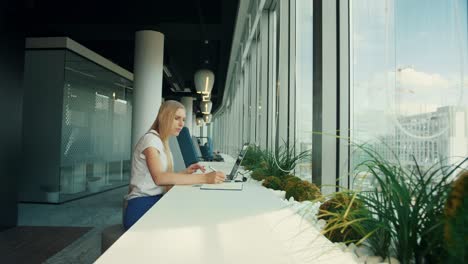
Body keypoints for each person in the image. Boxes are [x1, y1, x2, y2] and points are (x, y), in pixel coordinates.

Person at [123, 100, 225, 230]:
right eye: (177, 118)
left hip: (154, 200)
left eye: (183, 119)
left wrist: (184, 172)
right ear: (164, 117)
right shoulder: (151, 140)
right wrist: (205, 178)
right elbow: (159, 178)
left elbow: (159, 176)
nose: (181, 124)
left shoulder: (161, 141)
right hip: (141, 206)